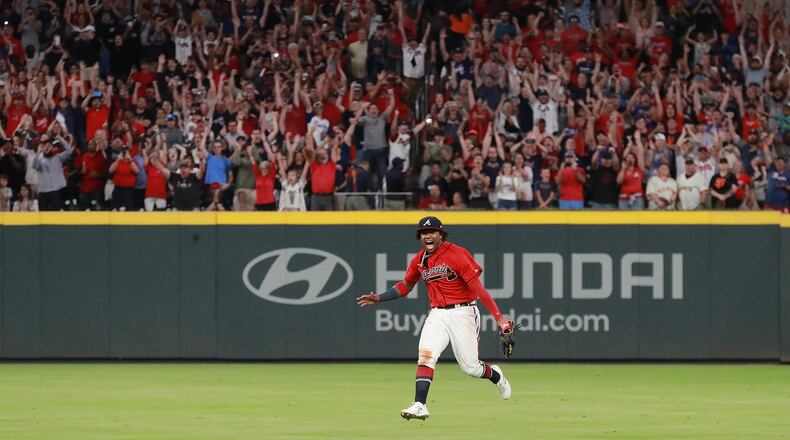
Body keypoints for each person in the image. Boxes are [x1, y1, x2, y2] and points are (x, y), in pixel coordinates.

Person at [356, 216, 515, 421]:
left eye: (432, 231)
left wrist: (499, 317)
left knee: (470, 367)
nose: (427, 235)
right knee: (426, 355)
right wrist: (379, 298)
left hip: (464, 311)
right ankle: (420, 404)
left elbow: (479, 290)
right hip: (437, 313)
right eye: (423, 232)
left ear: (441, 234)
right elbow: (405, 286)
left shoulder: (457, 254)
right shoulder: (420, 260)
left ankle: (496, 376)